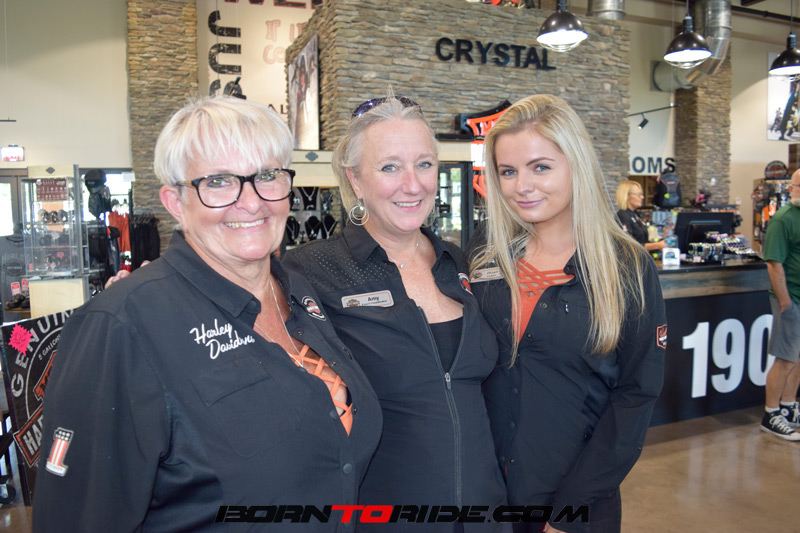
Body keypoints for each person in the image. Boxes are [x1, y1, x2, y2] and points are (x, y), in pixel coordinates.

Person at [33, 96, 382, 531]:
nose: (251, 202)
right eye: (218, 181)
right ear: (175, 201)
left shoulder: (299, 291)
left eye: (267, 176)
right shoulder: (121, 326)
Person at [282, 95, 507, 530]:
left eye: (424, 164)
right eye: (389, 167)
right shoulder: (311, 270)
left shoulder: (459, 263)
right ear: (355, 179)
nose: (413, 184)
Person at [468, 94, 666, 533]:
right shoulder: (486, 259)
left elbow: (635, 395)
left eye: (540, 167)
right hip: (488, 496)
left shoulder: (626, 268)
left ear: (576, 165)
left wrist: (568, 511)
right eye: (508, 171)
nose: (521, 186)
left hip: (575, 504)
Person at [760, 169, 800, 441]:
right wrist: (786, 303)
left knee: (797, 358)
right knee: (785, 358)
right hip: (791, 299)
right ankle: (771, 413)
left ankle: (788, 406)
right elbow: (774, 263)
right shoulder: (783, 219)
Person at [614, 180, 666, 252]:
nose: (642, 197)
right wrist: (656, 245)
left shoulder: (635, 214)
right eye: (638, 195)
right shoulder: (623, 216)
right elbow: (627, 245)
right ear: (627, 196)